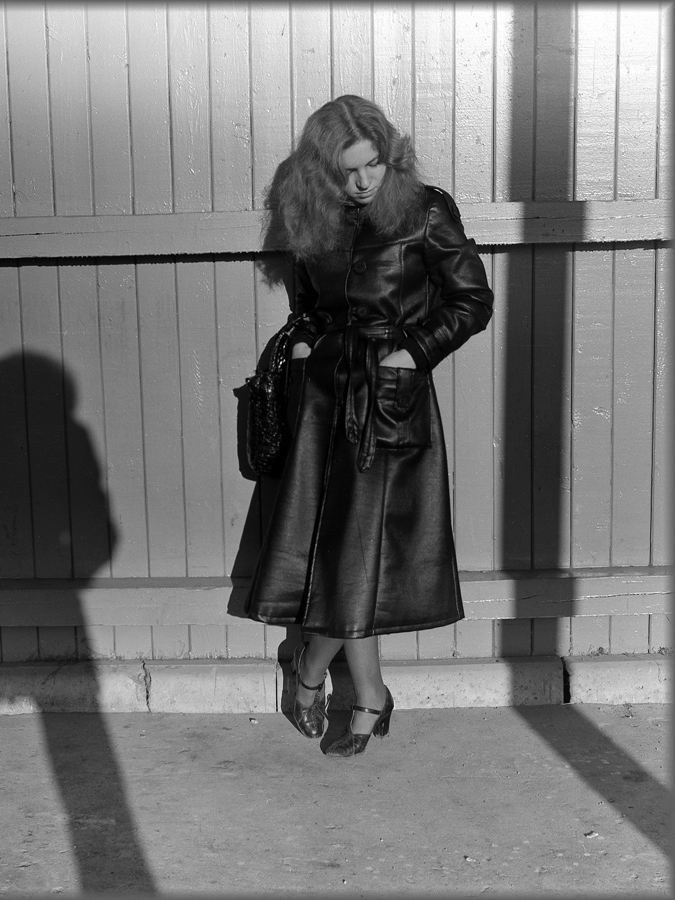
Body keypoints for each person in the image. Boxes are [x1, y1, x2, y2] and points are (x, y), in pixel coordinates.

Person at [245, 95, 494, 757]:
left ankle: (310, 673)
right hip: (322, 402)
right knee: (347, 553)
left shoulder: (425, 210)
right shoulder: (315, 217)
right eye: (348, 170)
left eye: (373, 164)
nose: (362, 181)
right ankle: (370, 693)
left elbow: (472, 300)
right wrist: (305, 343)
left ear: (392, 156)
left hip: (387, 401)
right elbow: (309, 306)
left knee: (354, 552)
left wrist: (411, 354)